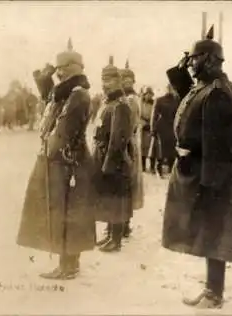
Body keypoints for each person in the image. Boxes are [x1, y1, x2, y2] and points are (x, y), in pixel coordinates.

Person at [162, 26, 232, 308]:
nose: (190, 63)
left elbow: (216, 145)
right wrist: (181, 67)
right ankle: (211, 291)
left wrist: (209, 184)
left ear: (210, 60)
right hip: (206, 170)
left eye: (195, 58)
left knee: (214, 233)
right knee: (209, 233)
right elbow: (186, 93)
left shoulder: (217, 93)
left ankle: (214, 294)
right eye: (190, 59)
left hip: (215, 176)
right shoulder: (205, 87)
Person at [17, 39, 96, 280]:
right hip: (64, 161)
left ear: (74, 67)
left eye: (62, 67)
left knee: (68, 212)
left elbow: (63, 129)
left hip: (69, 163)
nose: (58, 72)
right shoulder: (68, 92)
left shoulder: (79, 95)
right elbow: (50, 96)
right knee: (65, 211)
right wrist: (43, 77)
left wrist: (49, 153)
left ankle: (69, 265)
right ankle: (68, 263)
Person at [91, 56, 134, 252]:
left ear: (117, 81)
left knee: (116, 200)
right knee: (108, 198)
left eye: (108, 80)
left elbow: (118, 140)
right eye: (103, 80)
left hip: (115, 160)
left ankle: (116, 239)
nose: (105, 84)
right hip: (103, 155)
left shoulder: (121, 105)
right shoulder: (108, 104)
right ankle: (109, 234)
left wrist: (108, 163)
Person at [119, 60, 144, 237]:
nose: (125, 82)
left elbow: (131, 124)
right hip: (127, 141)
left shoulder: (132, 99)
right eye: (123, 79)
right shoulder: (124, 98)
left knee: (127, 184)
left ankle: (125, 224)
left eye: (128, 80)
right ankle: (121, 224)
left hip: (129, 143)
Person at [149, 84, 179, 177]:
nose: (170, 90)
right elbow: (154, 116)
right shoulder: (159, 100)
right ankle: (159, 169)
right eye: (168, 88)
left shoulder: (177, 101)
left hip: (172, 127)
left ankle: (171, 170)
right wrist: (153, 129)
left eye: (172, 88)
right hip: (161, 127)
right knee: (160, 150)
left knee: (172, 149)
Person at [140, 87, 156, 173]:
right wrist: (143, 123)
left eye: (150, 94)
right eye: (147, 94)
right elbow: (139, 115)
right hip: (142, 127)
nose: (149, 96)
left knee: (152, 148)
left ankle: (152, 166)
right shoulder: (140, 103)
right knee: (143, 148)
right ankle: (142, 166)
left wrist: (151, 124)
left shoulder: (153, 103)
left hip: (150, 127)